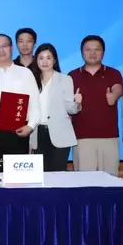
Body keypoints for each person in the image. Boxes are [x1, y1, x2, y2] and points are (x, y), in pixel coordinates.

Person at [0, 34, 40, 171]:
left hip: (18, 130)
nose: (1, 50)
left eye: (4, 46)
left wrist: (30, 126)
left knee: (18, 176)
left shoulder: (25, 73)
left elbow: (35, 103)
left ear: (11, 48)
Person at [69, 35, 123, 176]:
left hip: (109, 137)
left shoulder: (113, 73)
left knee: (110, 181)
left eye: (97, 49)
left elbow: (118, 88)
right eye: (88, 49)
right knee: (84, 182)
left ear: (103, 52)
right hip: (82, 138)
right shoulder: (72, 76)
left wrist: (114, 96)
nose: (92, 53)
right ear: (81, 52)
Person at [30, 43, 80, 171]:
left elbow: (71, 109)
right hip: (37, 133)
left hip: (60, 133)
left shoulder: (65, 79)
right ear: (36, 60)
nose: (45, 62)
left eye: (49, 58)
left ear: (55, 60)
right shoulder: (31, 80)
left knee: (58, 173)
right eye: (41, 58)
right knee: (39, 173)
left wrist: (77, 103)